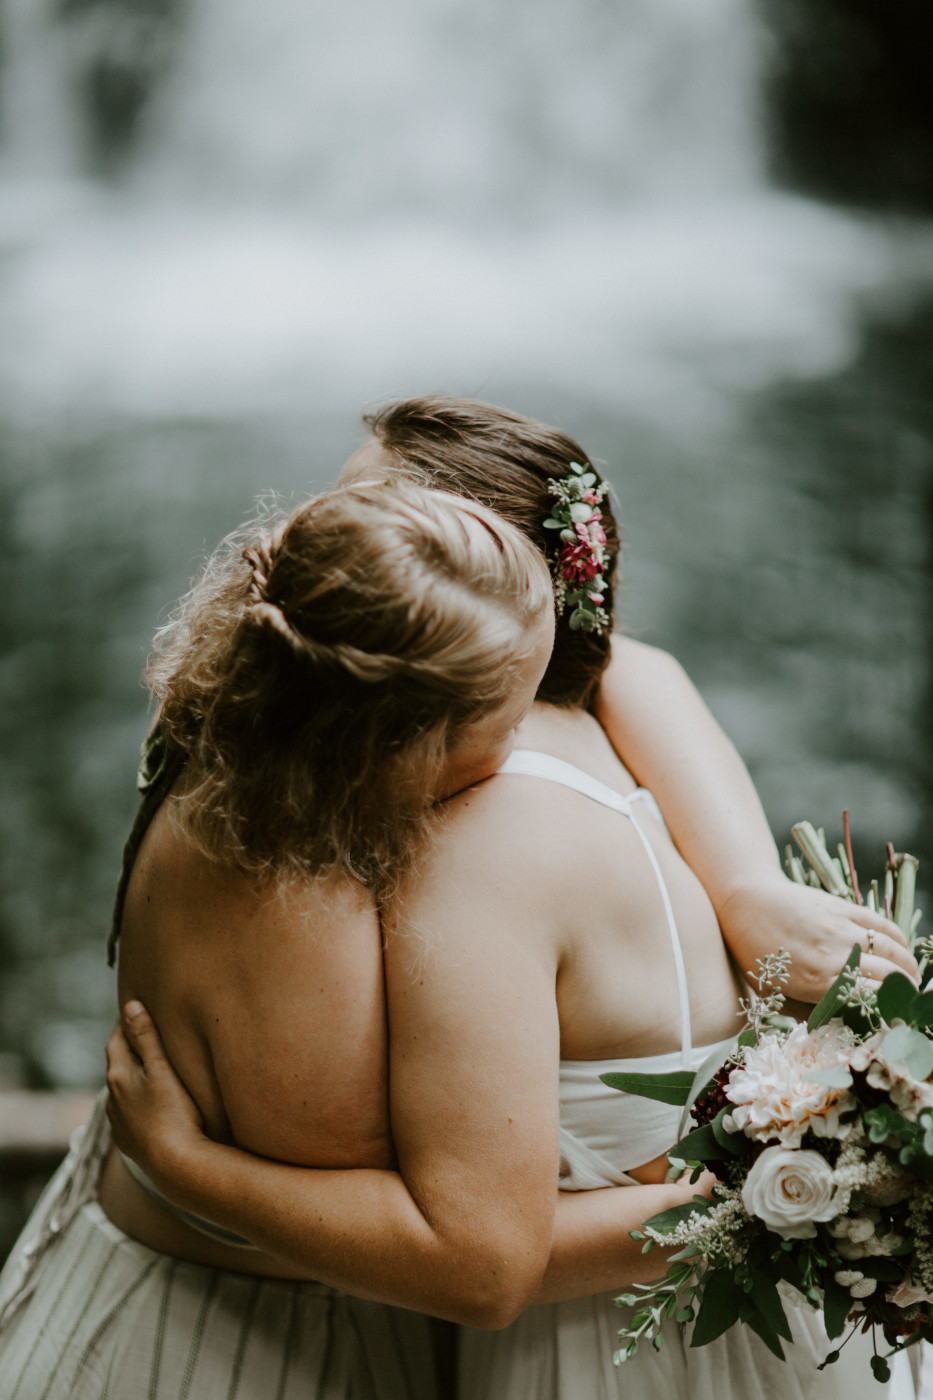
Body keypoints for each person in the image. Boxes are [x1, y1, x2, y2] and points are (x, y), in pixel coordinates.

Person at [98, 401, 916, 1399]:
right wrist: (793, 1179)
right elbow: (475, 1258)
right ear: (405, 729)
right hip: (245, 1341)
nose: (332, 536)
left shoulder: (249, 687)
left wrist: (746, 888)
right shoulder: (361, 869)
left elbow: (622, 661)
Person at [0, 477, 555, 1400]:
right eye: (515, 713)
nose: (533, 732)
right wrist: (191, 1168)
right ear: (403, 742)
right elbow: (477, 1270)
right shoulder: (300, 916)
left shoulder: (241, 710)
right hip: (224, 1354)